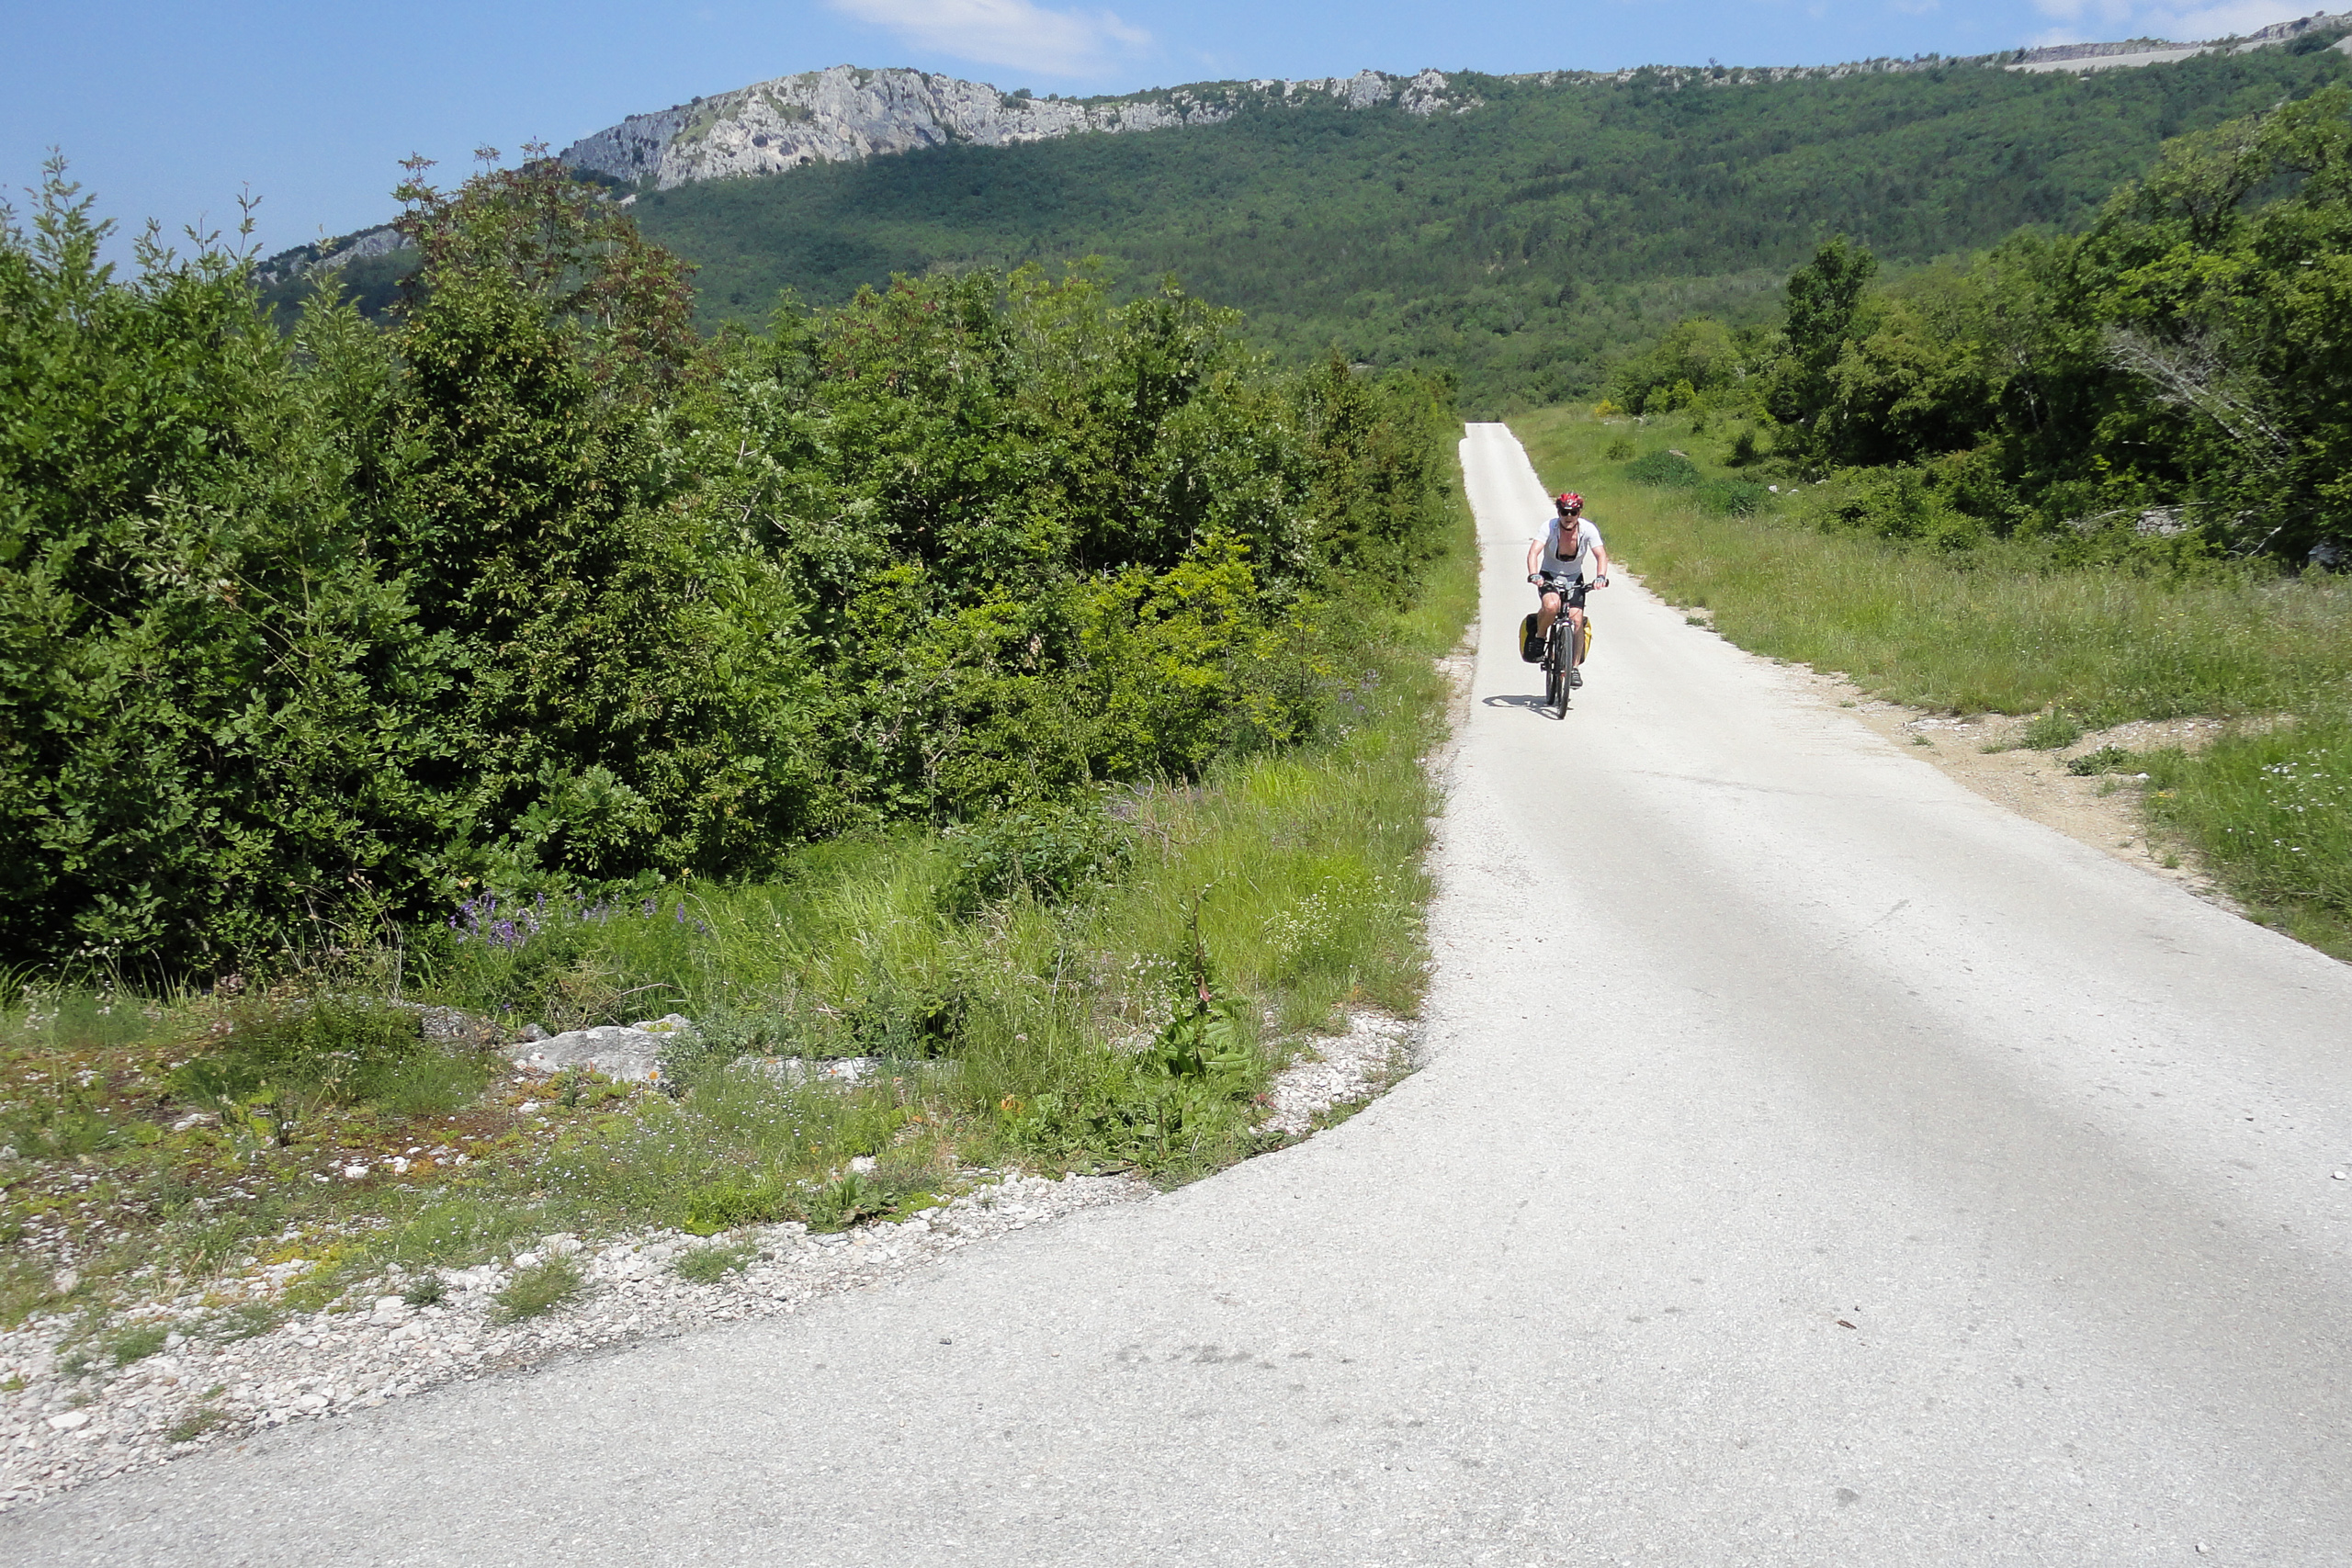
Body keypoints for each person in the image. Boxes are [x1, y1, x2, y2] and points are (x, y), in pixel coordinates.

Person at [1526, 491, 1609, 685]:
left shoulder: (1588, 529)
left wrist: (1601, 577)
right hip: (1549, 575)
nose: (1569, 517)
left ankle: (1574, 668)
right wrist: (1534, 574)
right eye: (1564, 512)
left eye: (1573, 512)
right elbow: (1534, 552)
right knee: (1552, 605)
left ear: (1579, 513)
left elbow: (1601, 555)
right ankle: (1539, 638)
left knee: (1576, 619)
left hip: (1574, 578)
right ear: (1559, 512)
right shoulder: (1549, 527)